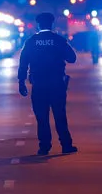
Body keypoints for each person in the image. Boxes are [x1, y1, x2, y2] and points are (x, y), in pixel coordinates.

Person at [18, 12, 78, 155]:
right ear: (52, 24)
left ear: (38, 25)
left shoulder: (31, 41)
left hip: (39, 84)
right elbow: (72, 58)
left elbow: (23, 63)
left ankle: (44, 147)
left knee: (41, 116)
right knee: (59, 114)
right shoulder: (58, 40)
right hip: (57, 83)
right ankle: (66, 145)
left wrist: (21, 82)